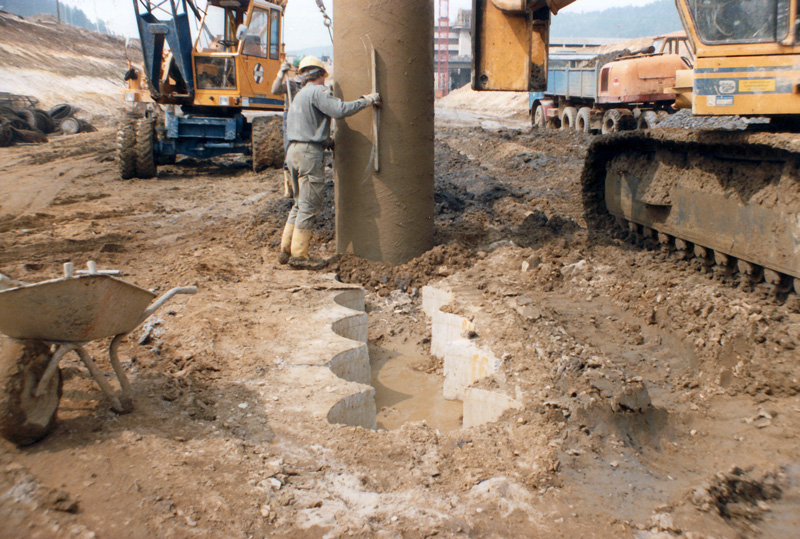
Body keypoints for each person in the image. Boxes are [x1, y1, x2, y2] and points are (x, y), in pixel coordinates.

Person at [277, 56, 380, 269]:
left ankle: (285, 249)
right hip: (308, 153)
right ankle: (299, 256)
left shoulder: (299, 96)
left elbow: (308, 124)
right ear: (321, 75)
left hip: (293, 151)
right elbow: (340, 110)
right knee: (309, 204)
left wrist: (328, 140)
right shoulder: (318, 91)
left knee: (298, 203)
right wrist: (367, 100)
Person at [271, 56, 304, 198]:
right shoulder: (292, 84)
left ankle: (301, 185)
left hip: (304, 119)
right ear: (297, 69)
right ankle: (289, 188)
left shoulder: (310, 85)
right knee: (289, 149)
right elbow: (275, 90)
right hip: (291, 118)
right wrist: (280, 75)